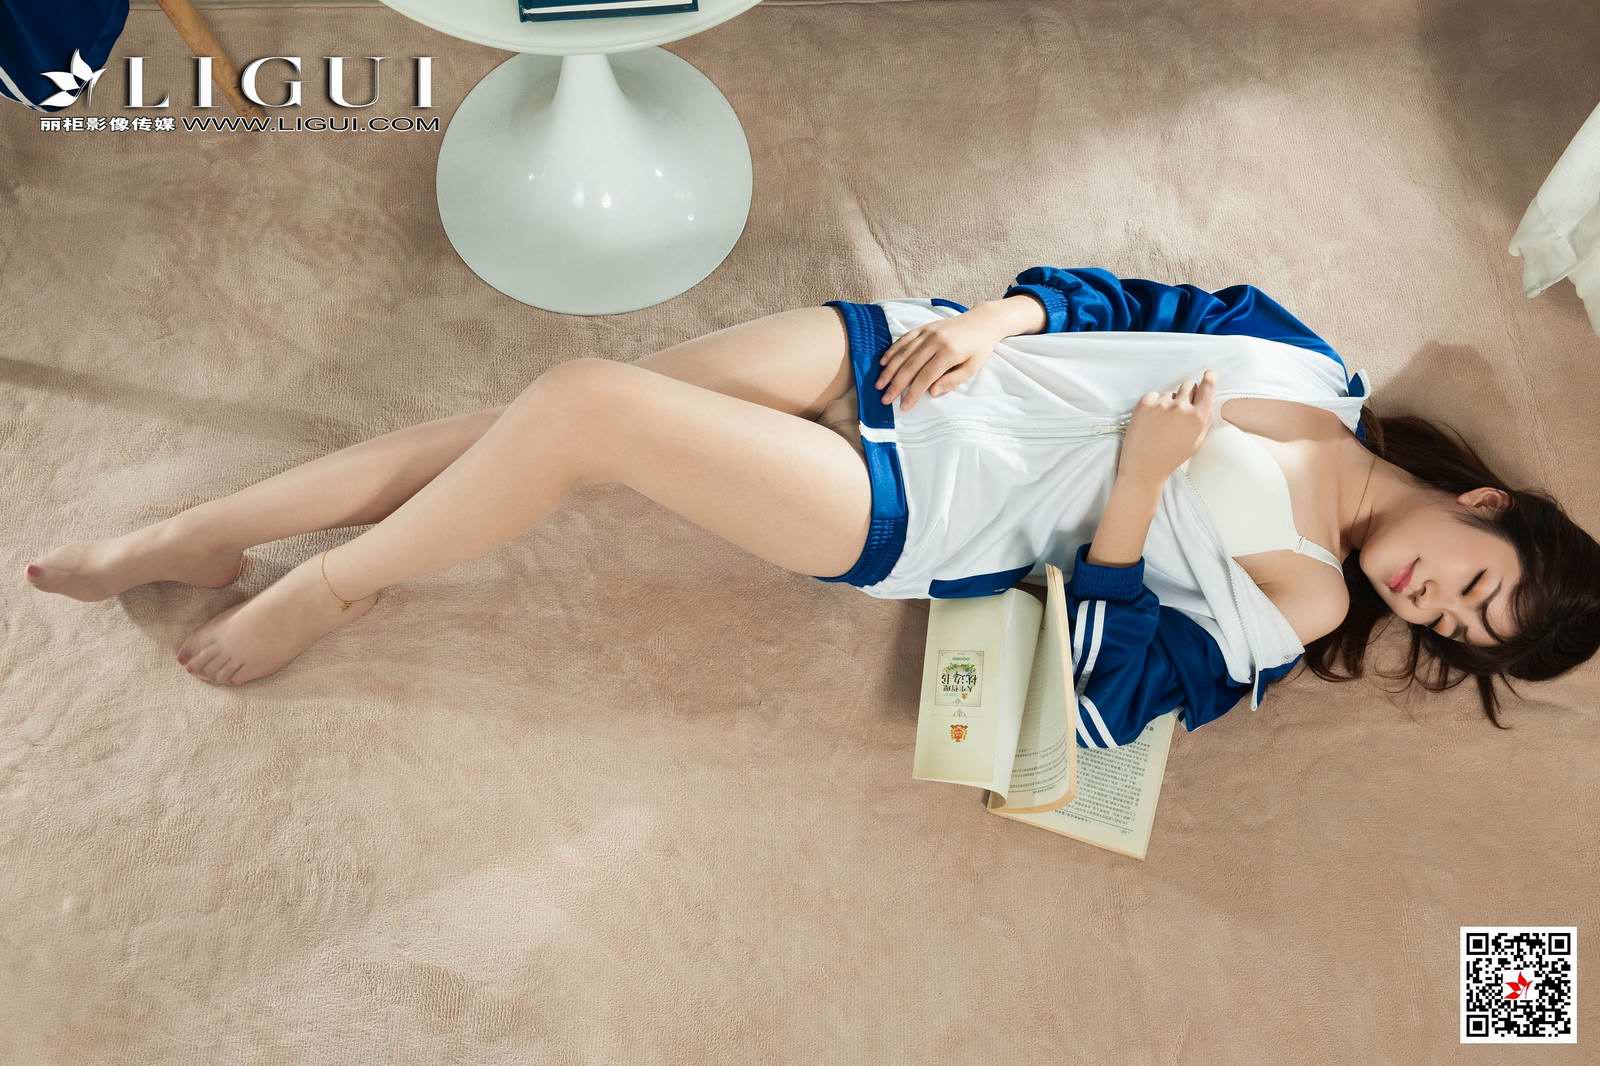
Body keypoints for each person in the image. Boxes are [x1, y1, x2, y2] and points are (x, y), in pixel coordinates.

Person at [24, 268, 1600, 747]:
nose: (1436, 606)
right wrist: (997, 320)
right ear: (1489, 501)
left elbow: (1105, 704)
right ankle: (199, 533)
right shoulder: (1311, 363)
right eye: (1479, 580)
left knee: (577, 407)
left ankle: (335, 581)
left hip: (908, 504)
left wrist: (1133, 499)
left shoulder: (1300, 611)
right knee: (511, 428)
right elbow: (1136, 295)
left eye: (1464, 630)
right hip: (912, 360)